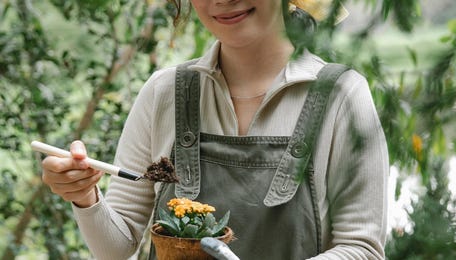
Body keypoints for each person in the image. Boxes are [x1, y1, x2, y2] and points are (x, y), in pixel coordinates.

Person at [41, 0, 389, 259]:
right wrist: (85, 197)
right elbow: (117, 247)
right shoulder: (163, 93)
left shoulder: (341, 95)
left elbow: (361, 248)